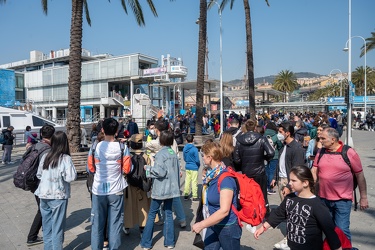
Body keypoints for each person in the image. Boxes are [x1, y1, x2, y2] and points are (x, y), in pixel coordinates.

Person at [254, 166, 342, 250]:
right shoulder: (290, 198)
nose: (289, 183)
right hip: (293, 246)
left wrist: (337, 248)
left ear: (305, 183)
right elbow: (278, 214)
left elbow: (330, 231)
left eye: (293, 180)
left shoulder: (317, 205)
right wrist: (263, 227)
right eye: (290, 180)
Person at [311, 127, 369, 241]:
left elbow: (360, 176)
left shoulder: (348, 152)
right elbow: (314, 170)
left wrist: (364, 197)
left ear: (333, 139)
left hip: (342, 200)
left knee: (341, 230)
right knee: (327, 229)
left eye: (323, 138)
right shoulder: (321, 151)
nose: (320, 140)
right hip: (323, 199)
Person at [87, 118, 132, 250]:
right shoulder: (122, 147)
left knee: (97, 225)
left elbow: (90, 168)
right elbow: (127, 169)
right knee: (115, 224)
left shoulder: (95, 146)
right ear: (117, 131)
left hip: (98, 191)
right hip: (116, 190)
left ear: (102, 130)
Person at [192, 142, 241, 250]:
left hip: (228, 227)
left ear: (210, 158)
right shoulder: (211, 175)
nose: (202, 158)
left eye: (203, 156)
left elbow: (224, 211)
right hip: (213, 223)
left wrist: (201, 224)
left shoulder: (226, 179)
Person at [34, 131, 77, 249]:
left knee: (47, 227)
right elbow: (71, 177)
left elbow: (39, 174)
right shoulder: (65, 159)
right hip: (58, 196)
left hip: (43, 194)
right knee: (57, 227)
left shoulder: (45, 156)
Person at [140, 130, 181, 250]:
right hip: (172, 189)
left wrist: (148, 168)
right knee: (168, 213)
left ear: (161, 141)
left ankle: (146, 243)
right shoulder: (172, 153)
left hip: (160, 189)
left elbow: (160, 172)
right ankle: (170, 242)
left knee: (152, 213)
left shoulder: (160, 154)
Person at [270, 122, 306, 249]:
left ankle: (290, 237)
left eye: (281, 132)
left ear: (287, 133)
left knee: (292, 210)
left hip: (289, 183)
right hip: (282, 180)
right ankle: (290, 235)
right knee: (287, 209)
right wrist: (275, 178)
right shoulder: (283, 147)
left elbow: (297, 169)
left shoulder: (296, 148)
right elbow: (279, 165)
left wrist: (290, 185)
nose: (279, 134)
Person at [145, 119, 186, 228]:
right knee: (175, 197)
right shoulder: (172, 140)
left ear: (157, 130)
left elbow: (145, 145)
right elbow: (177, 155)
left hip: (160, 173)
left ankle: (159, 218)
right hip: (174, 171)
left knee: (158, 197)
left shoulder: (158, 142)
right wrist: (180, 169)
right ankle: (182, 219)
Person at [233, 119, 275, 214]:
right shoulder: (261, 138)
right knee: (263, 193)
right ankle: (265, 213)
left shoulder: (239, 140)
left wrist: (243, 162)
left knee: (248, 194)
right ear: (255, 127)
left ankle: (250, 212)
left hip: (246, 171)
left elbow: (236, 158)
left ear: (246, 128)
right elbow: (271, 152)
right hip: (259, 170)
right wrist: (264, 158)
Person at [26, 124, 55, 246]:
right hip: (40, 183)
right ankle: (32, 236)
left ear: (42, 134)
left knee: (42, 208)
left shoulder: (35, 146)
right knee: (42, 209)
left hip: (31, 181)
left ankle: (44, 230)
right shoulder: (48, 150)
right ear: (52, 136)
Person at [123, 134, 153, 238]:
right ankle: (142, 228)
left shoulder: (128, 156)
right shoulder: (146, 157)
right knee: (143, 206)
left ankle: (127, 226)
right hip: (142, 185)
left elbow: (124, 171)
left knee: (129, 206)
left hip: (130, 185)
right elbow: (149, 172)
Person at [264, 122, 283, 194]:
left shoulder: (264, 135)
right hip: (274, 155)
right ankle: (270, 187)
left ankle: (266, 187)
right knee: (272, 171)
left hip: (266, 155)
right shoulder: (276, 135)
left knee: (267, 171)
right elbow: (280, 145)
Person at [183, 134, 200, 202]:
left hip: (187, 166)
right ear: (193, 140)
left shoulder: (184, 148)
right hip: (194, 167)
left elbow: (184, 158)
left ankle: (186, 194)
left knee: (187, 180)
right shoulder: (194, 149)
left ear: (186, 140)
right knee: (194, 181)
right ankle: (195, 196)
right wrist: (198, 165)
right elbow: (197, 160)